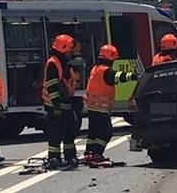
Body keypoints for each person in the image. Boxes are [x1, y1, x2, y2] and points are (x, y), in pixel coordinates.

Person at [43, 34, 81, 170]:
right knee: (55, 132)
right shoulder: (53, 63)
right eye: (69, 49)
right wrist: (56, 104)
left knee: (69, 131)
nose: (71, 52)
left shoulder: (63, 61)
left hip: (65, 103)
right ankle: (54, 158)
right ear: (64, 48)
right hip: (55, 105)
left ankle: (70, 155)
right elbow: (52, 84)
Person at [84, 45, 120, 166]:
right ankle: (97, 154)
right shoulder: (106, 71)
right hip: (101, 108)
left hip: (92, 107)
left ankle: (89, 153)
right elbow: (117, 76)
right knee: (106, 132)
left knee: (93, 133)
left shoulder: (96, 68)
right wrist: (133, 76)